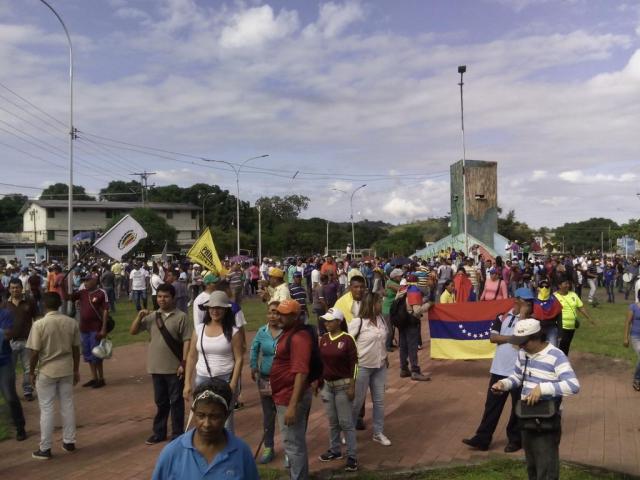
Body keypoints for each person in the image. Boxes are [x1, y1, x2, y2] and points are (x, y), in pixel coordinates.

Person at [491, 318, 580, 480]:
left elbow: (573, 385)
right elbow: (517, 377)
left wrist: (543, 388)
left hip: (546, 419)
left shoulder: (556, 356)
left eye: (523, 342)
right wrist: (503, 384)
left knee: (546, 468)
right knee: (532, 465)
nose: (520, 346)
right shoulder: (523, 354)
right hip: (526, 416)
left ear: (536, 338)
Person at [462, 289, 534, 453]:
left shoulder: (531, 321)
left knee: (518, 408)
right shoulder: (502, 316)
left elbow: (522, 338)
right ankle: (482, 438)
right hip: (499, 369)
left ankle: (515, 440)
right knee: (492, 407)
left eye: (530, 303)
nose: (529, 305)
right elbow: (493, 338)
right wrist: (511, 339)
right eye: (526, 302)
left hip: (519, 371)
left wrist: (521, 318)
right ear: (516, 300)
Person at [152, 378, 259, 480]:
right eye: (201, 415)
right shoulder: (172, 453)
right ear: (193, 412)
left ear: (226, 416)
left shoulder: (241, 452)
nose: (206, 424)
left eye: (214, 416)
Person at [130, 283, 193, 445]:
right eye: (159, 296)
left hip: (174, 368)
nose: (162, 300)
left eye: (166, 296)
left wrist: (184, 363)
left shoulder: (181, 317)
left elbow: (187, 341)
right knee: (161, 402)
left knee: (176, 401)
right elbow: (133, 331)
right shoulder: (152, 317)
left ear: (173, 298)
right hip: (156, 366)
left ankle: (177, 432)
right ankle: (159, 432)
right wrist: (139, 316)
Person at [27, 292, 80, 460]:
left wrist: (31, 372)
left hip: (47, 369)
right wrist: (76, 369)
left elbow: (34, 352)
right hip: (66, 368)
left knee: (47, 409)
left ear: (44, 305)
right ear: (59, 304)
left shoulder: (39, 324)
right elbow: (76, 350)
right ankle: (69, 441)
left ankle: (46, 447)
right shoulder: (71, 322)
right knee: (67, 405)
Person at [183, 291, 243, 434]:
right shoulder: (199, 330)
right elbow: (191, 356)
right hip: (203, 379)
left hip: (225, 379)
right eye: (212, 308)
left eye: (219, 308)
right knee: (203, 418)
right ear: (208, 309)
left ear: (225, 310)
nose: (215, 311)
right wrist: (187, 383)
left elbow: (239, 358)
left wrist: (233, 384)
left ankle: (227, 452)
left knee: (225, 420)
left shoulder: (233, 332)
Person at [270, 299, 314, 479]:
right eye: (278, 312)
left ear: (296, 316)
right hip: (284, 396)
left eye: (284, 314)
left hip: (290, 398)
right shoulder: (288, 333)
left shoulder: (298, 338)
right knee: (293, 443)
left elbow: (301, 372)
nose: (279, 317)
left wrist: (292, 406)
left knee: (293, 445)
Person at [317, 307, 359, 472]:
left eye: (330, 320)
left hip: (343, 386)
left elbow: (354, 364)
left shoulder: (347, 339)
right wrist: (318, 382)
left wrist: (352, 385)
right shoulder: (324, 339)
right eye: (325, 320)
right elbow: (321, 363)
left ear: (339, 321)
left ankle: (352, 456)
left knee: (346, 422)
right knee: (333, 421)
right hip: (328, 386)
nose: (327, 323)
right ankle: (335, 450)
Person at [348, 292, 391, 446]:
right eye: (379, 302)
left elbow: (382, 340)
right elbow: (348, 344)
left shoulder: (381, 320)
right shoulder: (358, 323)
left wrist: (385, 356)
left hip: (379, 366)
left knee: (379, 401)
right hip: (362, 367)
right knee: (357, 402)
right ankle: (348, 431)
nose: (382, 304)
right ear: (372, 304)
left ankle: (378, 432)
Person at [249, 301, 282, 464]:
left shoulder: (287, 332)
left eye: (276, 312)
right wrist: (253, 366)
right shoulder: (262, 331)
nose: (273, 316)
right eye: (270, 312)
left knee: (284, 414)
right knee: (268, 415)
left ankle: (290, 448)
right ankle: (269, 447)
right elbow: (254, 349)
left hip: (283, 380)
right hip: (265, 378)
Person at [71, 274, 108, 389]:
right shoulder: (82, 292)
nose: (85, 283)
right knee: (88, 354)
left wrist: (103, 329)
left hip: (96, 328)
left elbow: (106, 311)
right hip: (84, 328)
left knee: (97, 353)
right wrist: (62, 285)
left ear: (94, 281)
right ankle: (94, 377)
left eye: (87, 280)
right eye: (84, 281)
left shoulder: (101, 293)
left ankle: (101, 378)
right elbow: (68, 297)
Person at [0, 294, 27, 441]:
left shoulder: (5, 314)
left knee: (9, 396)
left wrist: (3, 332)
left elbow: (9, 334)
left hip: (4, 361)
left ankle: (20, 426)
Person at [6, 277, 38, 401]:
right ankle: (11, 393)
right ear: (9, 289)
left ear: (21, 288)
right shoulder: (4, 304)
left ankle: (27, 390)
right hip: (10, 342)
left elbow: (37, 319)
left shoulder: (30, 301)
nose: (15, 290)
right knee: (10, 370)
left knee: (28, 368)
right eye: (12, 288)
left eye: (17, 287)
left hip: (27, 341)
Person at [554, 277, 595, 355]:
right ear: (559, 285)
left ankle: (564, 362)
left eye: (568, 283)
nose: (567, 285)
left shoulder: (573, 295)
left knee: (566, 346)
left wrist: (590, 319)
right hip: (561, 327)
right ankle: (560, 364)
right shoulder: (554, 296)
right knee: (562, 347)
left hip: (572, 327)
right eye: (565, 284)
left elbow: (581, 308)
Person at [623, 288, 640, 391]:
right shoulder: (633, 307)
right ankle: (637, 379)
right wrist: (625, 338)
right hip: (636, 336)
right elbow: (627, 323)